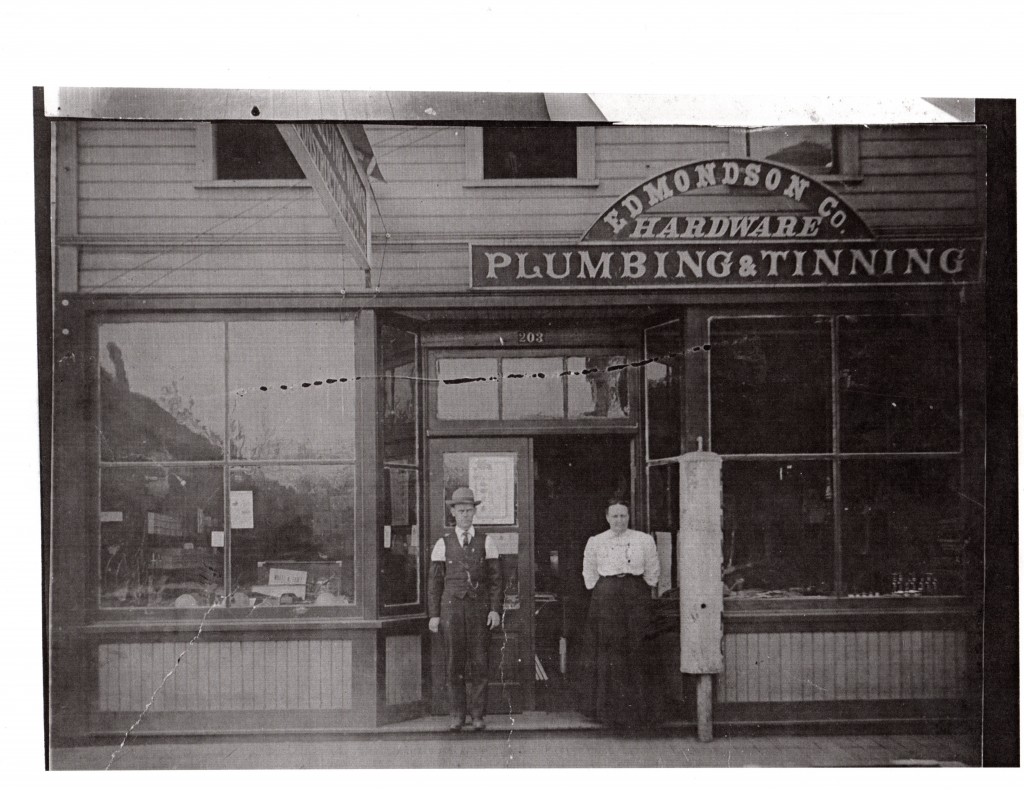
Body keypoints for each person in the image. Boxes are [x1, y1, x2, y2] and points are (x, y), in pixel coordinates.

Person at [579, 499, 661, 727]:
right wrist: (605, 589)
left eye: (623, 516)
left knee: (637, 647)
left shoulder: (643, 540)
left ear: (629, 517)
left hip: (635, 595)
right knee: (609, 649)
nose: (619, 520)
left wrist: (638, 589)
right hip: (606, 597)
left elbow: (653, 570)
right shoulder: (596, 541)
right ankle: (607, 712)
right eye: (614, 516)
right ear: (607, 518)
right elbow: (589, 572)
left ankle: (640, 712)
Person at [428, 487, 502, 731]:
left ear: (474, 512)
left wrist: (494, 610)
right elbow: (435, 582)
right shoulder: (443, 543)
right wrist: (434, 615)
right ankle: (457, 715)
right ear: (453, 513)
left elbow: (495, 580)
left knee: (480, 663)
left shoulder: (486, 541)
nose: (466, 515)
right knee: (454, 664)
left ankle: (478, 715)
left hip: (479, 611)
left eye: (470, 510)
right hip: (451, 611)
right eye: (461, 511)